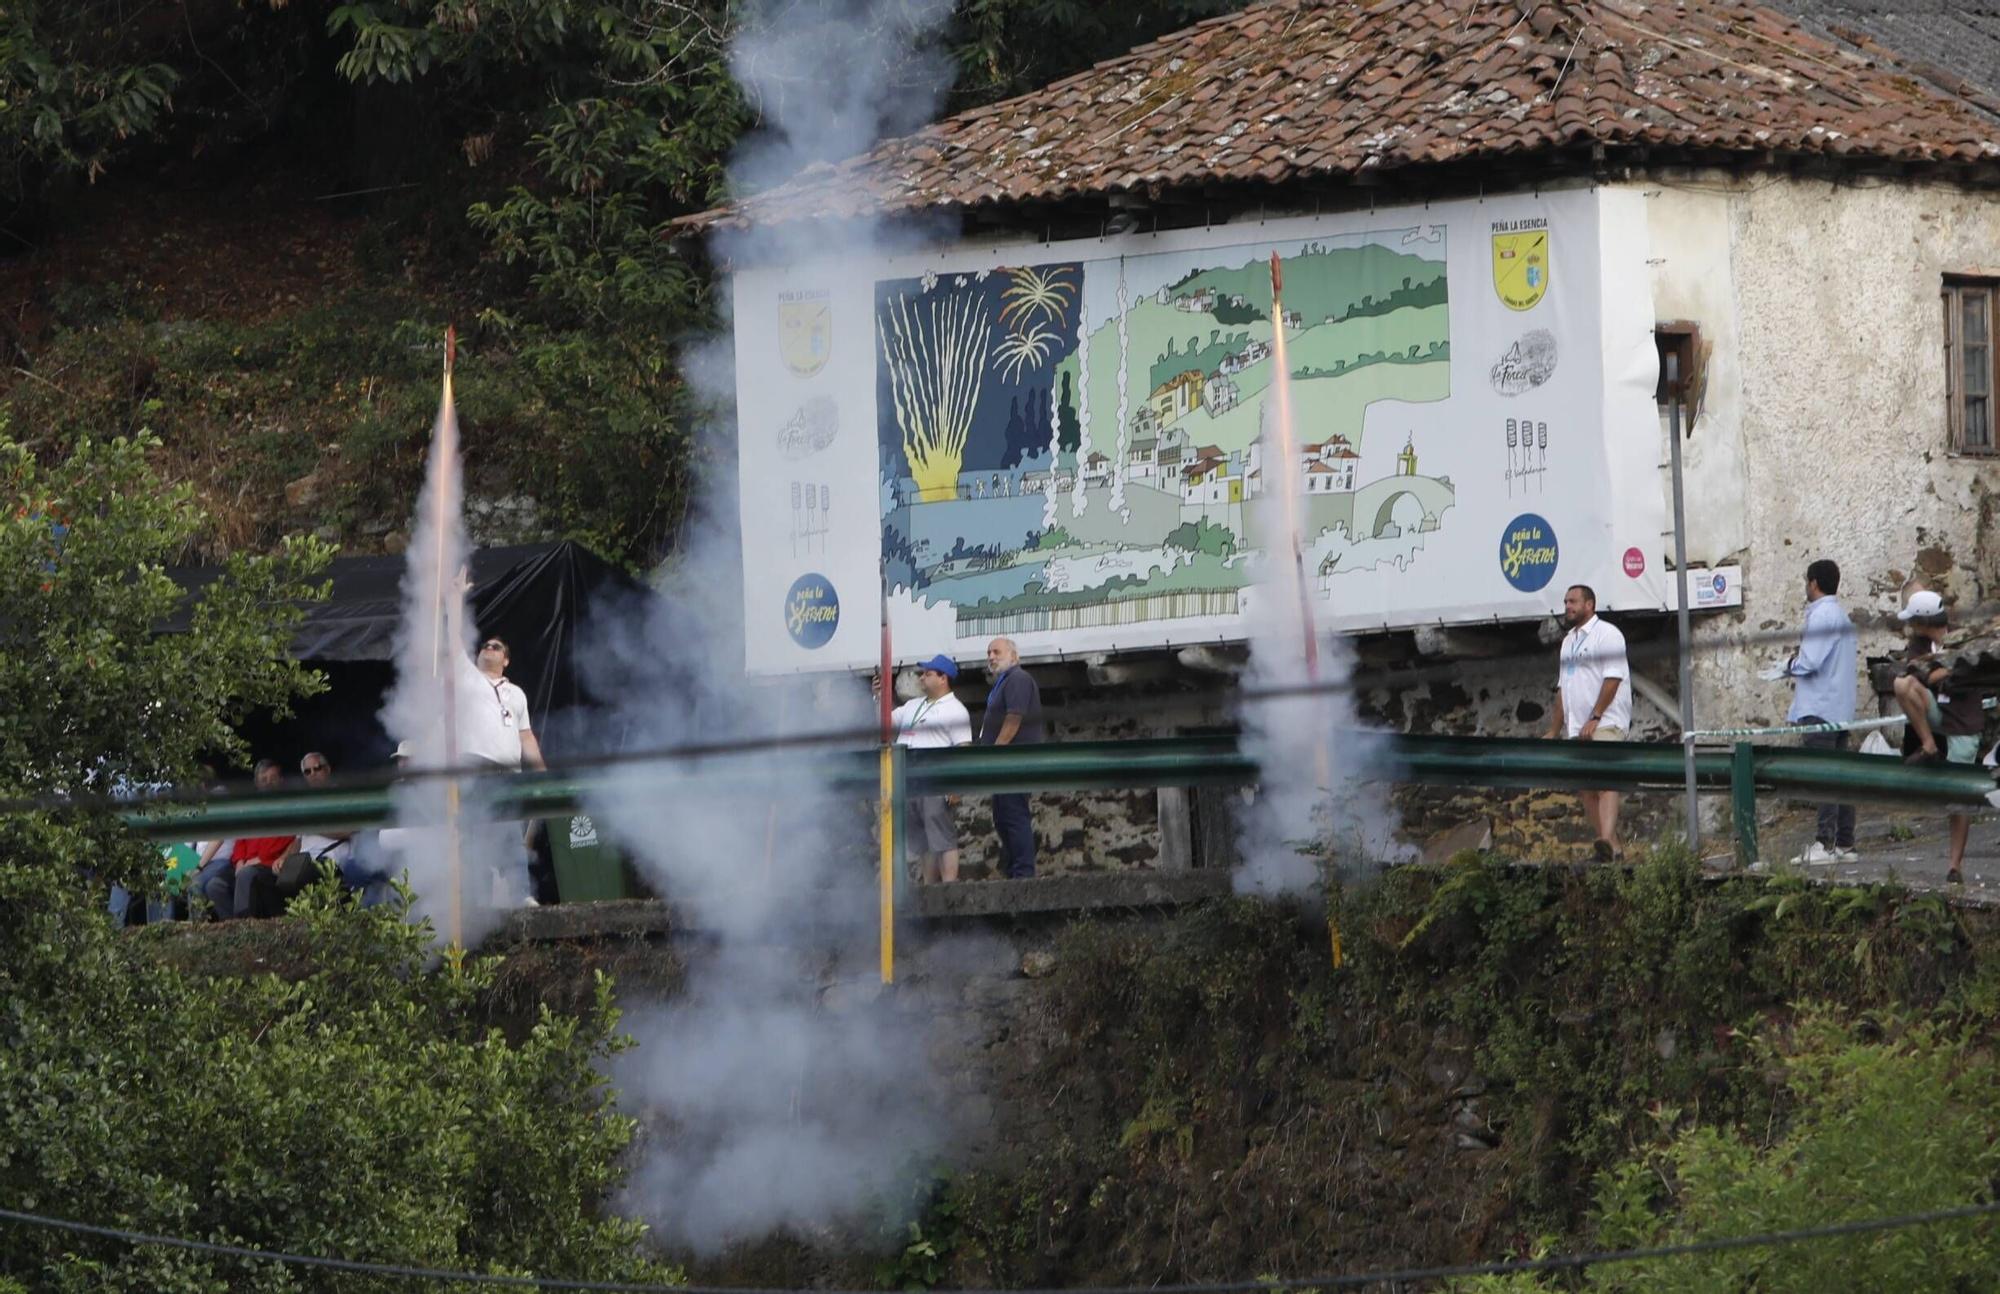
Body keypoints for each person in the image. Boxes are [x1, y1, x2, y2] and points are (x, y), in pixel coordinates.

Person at [1891, 589, 1986, 883]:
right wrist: (1948, 667)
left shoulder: (1963, 638)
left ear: (1924, 620)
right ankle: (1928, 743)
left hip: (1964, 723)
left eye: (1914, 621)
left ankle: (1954, 866)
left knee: (1958, 799)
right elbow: (1923, 676)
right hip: (1938, 715)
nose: (1910, 626)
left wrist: (1944, 667)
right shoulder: (1918, 645)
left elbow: (1964, 672)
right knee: (1901, 685)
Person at [1782, 559, 1860, 865]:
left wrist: (1788, 665)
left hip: (1820, 707)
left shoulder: (1821, 616)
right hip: (1840, 707)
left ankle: (1824, 844)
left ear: (1813, 583)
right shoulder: (1841, 616)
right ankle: (1845, 842)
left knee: (1823, 776)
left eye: (1806, 581)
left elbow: (1810, 661)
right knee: (1841, 777)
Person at [1545, 584, 1630, 861]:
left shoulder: (1607, 634)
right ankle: (1612, 849)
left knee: (1605, 781)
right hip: (1576, 726)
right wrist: (1554, 730)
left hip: (1605, 722)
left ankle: (1605, 840)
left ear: (1590, 604)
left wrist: (1595, 716)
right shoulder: (1568, 641)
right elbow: (1563, 688)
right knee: (1587, 787)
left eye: (1573, 601)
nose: (1567, 606)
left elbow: (1613, 678)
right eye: (1566, 601)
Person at [890, 654, 973, 882]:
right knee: (923, 840)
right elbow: (885, 722)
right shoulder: (913, 705)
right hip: (910, 781)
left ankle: (949, 885)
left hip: (936, 780)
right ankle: (928, 887)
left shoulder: (956, 710)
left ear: (943, 678)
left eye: (927, 674)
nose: (922, 678)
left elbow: (963, 748)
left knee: (942, 837)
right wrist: (879, 697)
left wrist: (956, 786)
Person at [195, 760, 297, 920]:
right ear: (256, 783)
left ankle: (244, 926)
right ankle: (231, 929)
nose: (268, 783)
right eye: (264, 779)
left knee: (245, 875)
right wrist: (239, 861)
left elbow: (287, 839)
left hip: (269, 865)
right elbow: (240, 839)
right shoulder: (251, 808)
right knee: (215, 886)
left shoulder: (287, 807)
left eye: (273, 778)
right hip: (244, 865)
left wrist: (260, 859)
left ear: (282, 781)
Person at [979, 636, 1044, 879]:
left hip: (1012, 761)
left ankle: (1022, 873)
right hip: (1004, 762)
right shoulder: (1004, 683)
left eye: (996, 652)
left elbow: (1014, 717)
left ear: (1014, 656)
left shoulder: (1018, 678)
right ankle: (1011, 868)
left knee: (1014, 815)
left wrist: (998, 750)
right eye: (988, 653)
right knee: (1002, 816)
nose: (991, 657)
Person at [462, 636, 546, 771]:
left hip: (509, 772)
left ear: (506, 661)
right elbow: (455, 643)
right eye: (485, 646)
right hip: (473, 765)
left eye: (496, 647)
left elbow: (526, 737)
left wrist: (543, 774)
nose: (489, 647)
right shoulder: (467, 675)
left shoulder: (517, 693)